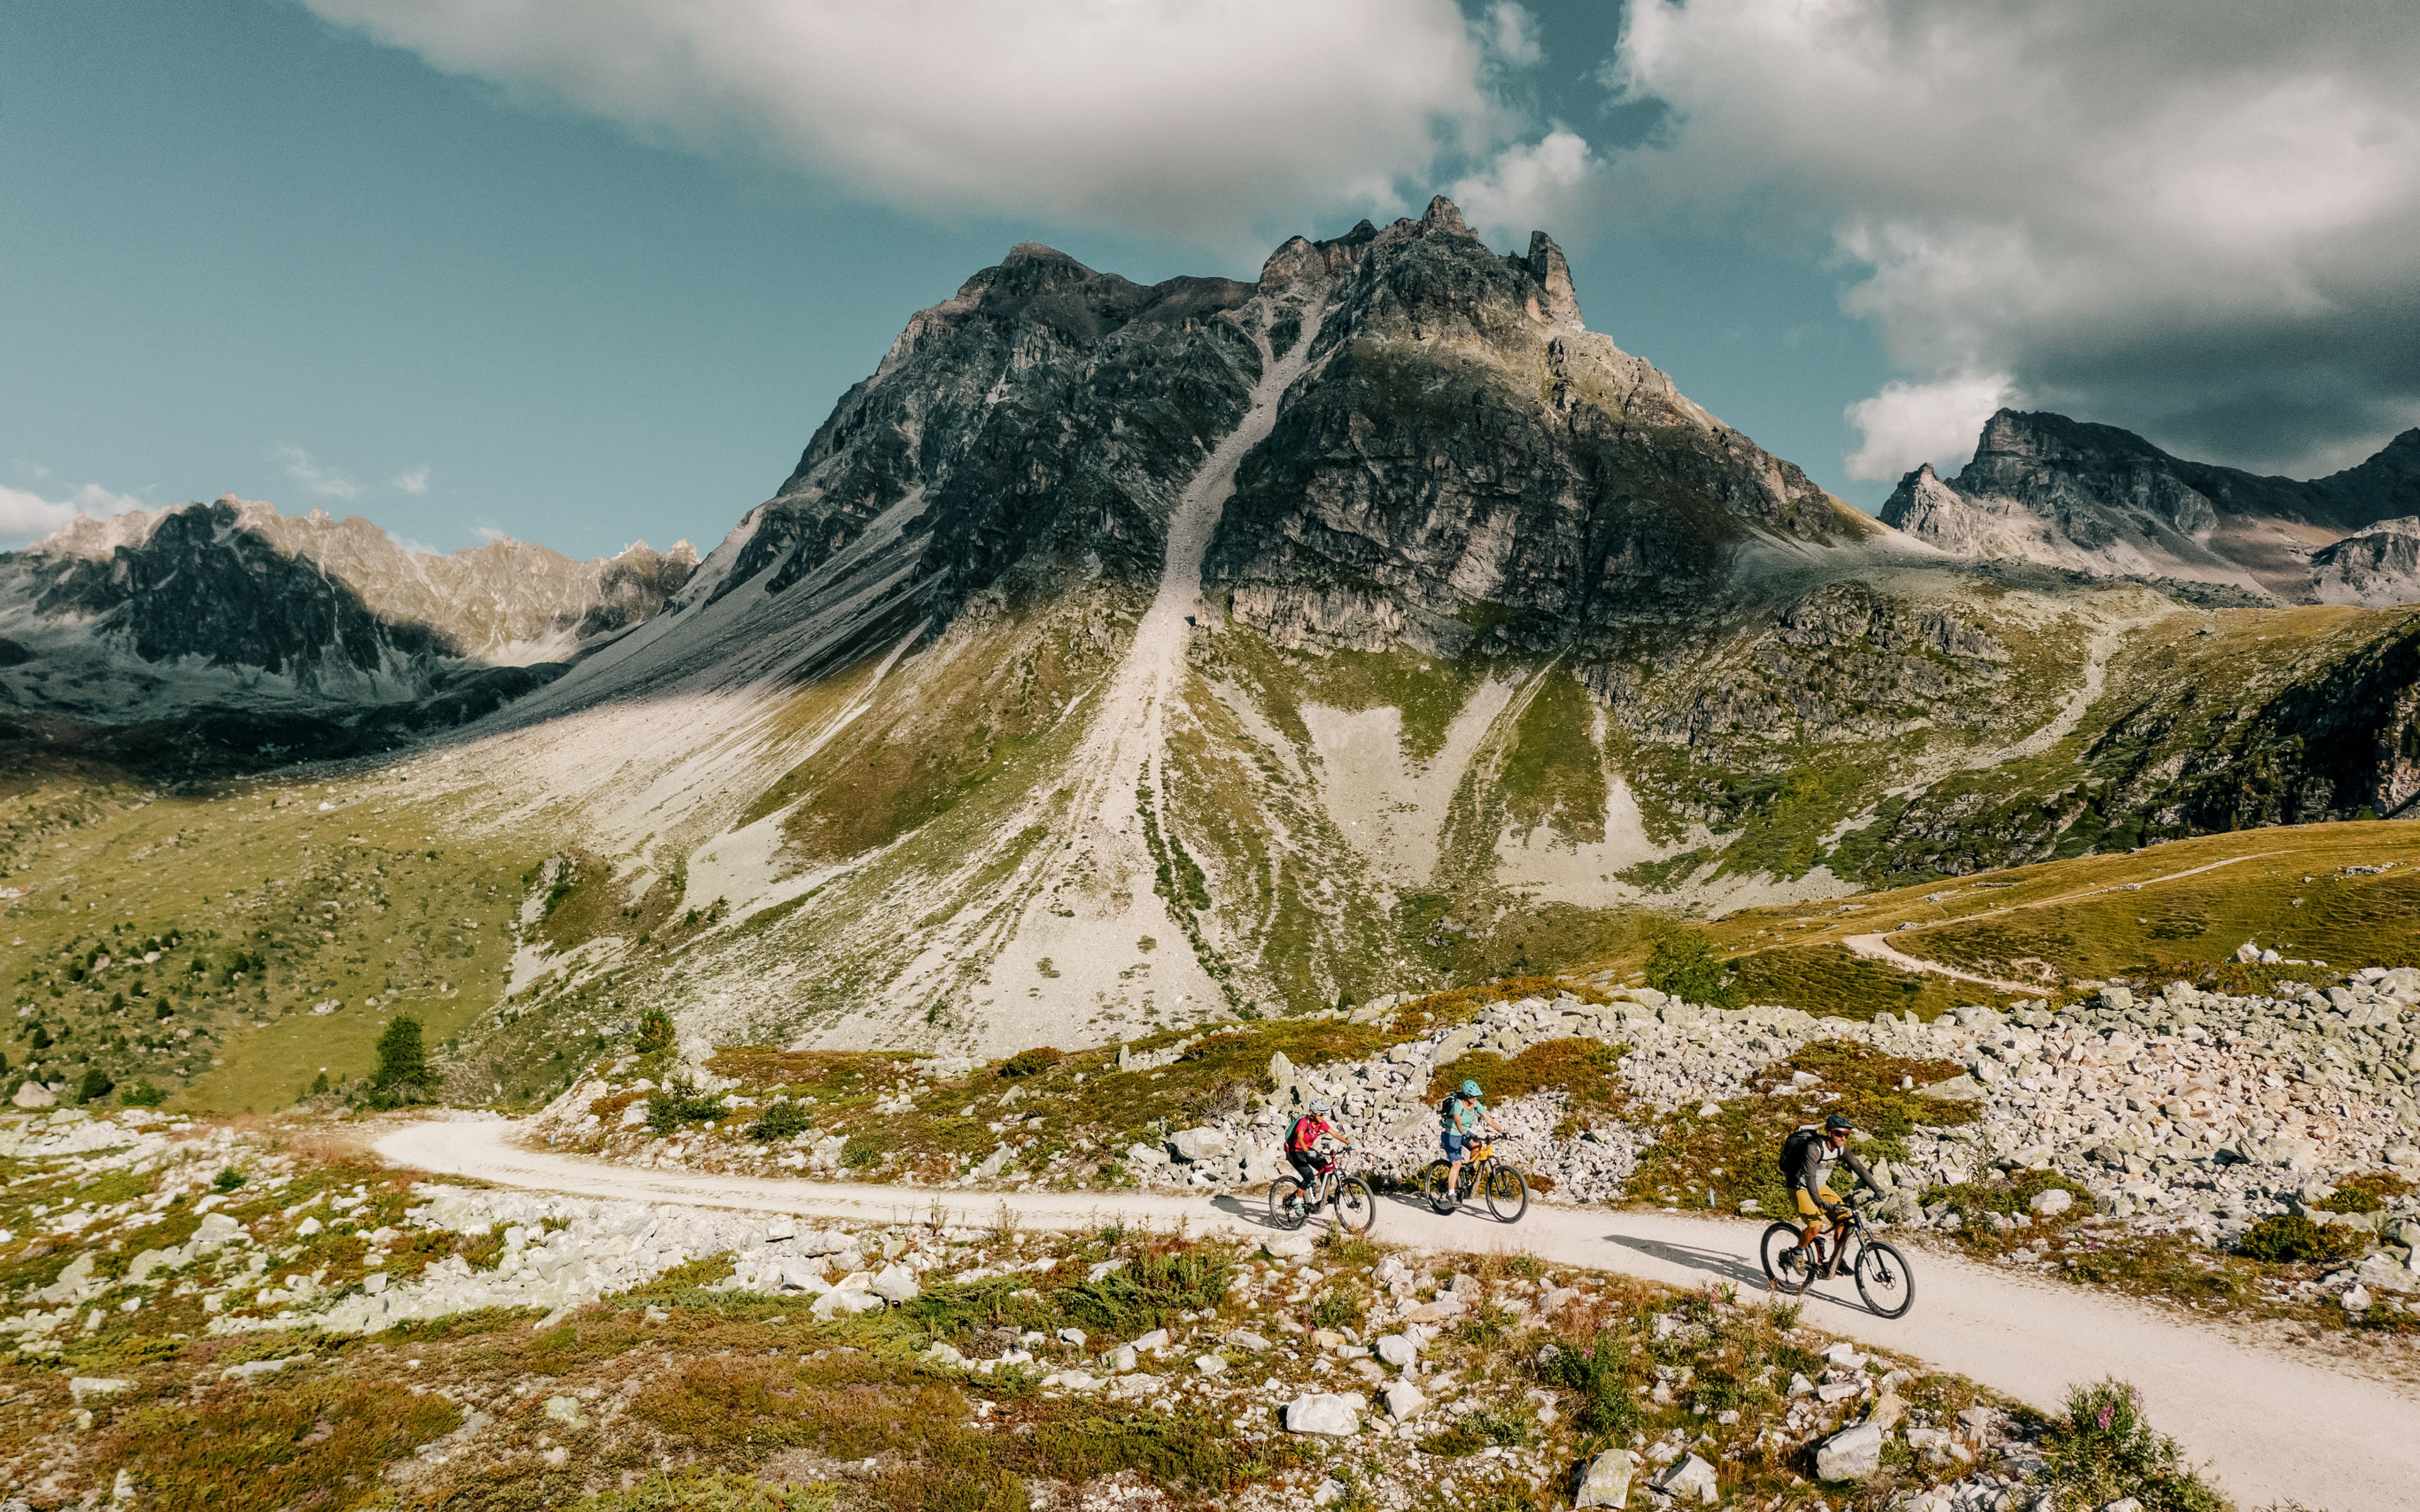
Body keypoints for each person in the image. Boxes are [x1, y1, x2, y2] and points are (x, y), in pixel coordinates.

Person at [1780, 1112, 1877, 1274]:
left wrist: (1877, 1189)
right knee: (1816, 1226)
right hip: (1800, 1188)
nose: (1843, 1138)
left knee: (1845, 1221)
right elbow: (1810, 1178)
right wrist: (1819, 1202)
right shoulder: (1814, 1148)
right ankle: (1796, 1253)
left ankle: (1835, 1261)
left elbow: (1858, 1168)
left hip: (1821, 1187)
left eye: (1846, 1135)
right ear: (1829, 1132)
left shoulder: (1841, 1149)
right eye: (1839, 1134)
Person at [1441, 1078, 1505, 1208]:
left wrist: (1502, 1132)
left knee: (1478, 1145)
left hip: (1464, 1133)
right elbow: (1457, 1121)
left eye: (1476, 1096)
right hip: (1451, 1135)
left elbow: (1488, 1119)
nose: (1475, 1098)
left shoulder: (1476, 1104)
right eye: (1472, 1096)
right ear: (1466, 1095)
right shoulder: (1458, 1104)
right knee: (1457, 1164)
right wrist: (1463, 1133)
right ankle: (1451, 1193)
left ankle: (1469, 1168)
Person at [1286, 1098, 1351, 1205]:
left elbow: (1334, 1133)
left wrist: (1348, 1143)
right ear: (1313, 1113)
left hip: (1307, 1150)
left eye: (1324, 1114)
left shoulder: (1320, 1124)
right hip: (1294, 1152)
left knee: (1325, 1168)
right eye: (1321, 1114)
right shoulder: (1304, 1122)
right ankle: (1297, 1200)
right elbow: (1300, 1138)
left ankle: (1323, 1195)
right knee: (1309, 1177)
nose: (1323, 1116)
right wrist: (1307, 1151)